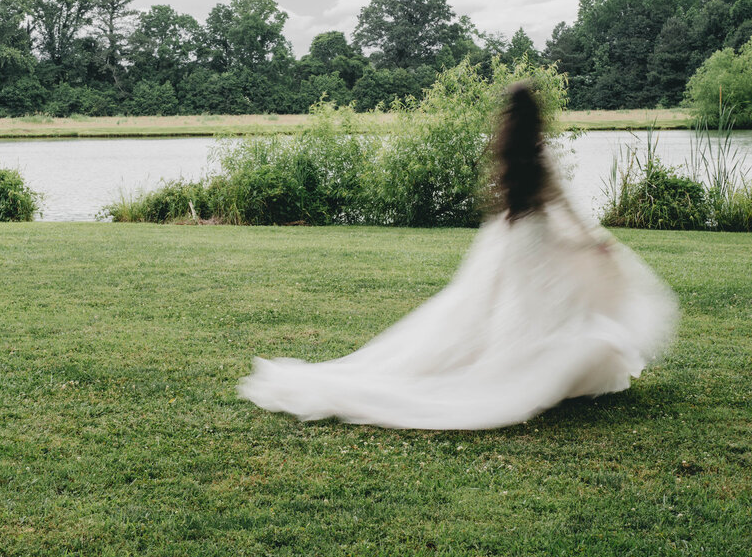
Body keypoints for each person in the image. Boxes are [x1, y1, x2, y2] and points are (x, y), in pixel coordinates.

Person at [237, 81, 678, 430]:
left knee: (495, 312)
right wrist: (593, 243)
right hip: (538, 241)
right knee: (548, 309)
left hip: (507, 242)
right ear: (537, 117)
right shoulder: (541, 156)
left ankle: (510, 362)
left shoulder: (504, 150)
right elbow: (566, 207)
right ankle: (529, 371)